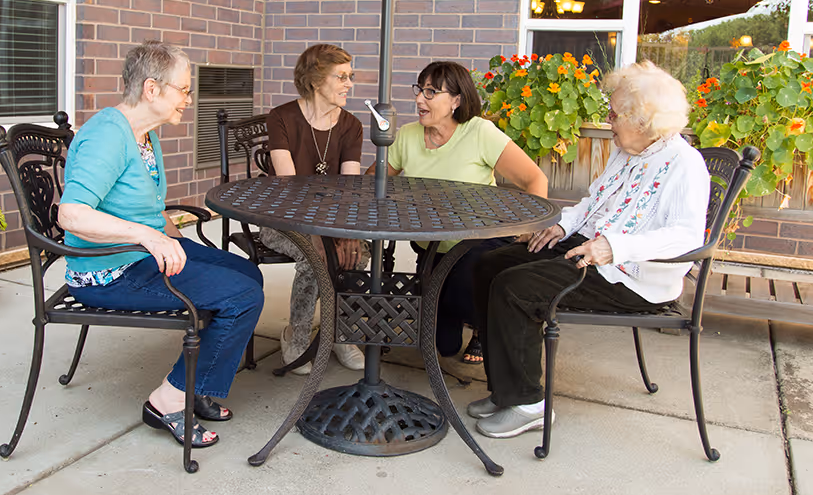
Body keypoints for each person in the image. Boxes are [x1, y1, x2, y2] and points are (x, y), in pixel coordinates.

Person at [468, 61, 709, 439]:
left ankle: (530, 404)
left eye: (614, 114)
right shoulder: (627, 152)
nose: (608, 120)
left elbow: (687, 237)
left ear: (643, 120)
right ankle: (506, 391)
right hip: (590, 251)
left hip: (631, 277)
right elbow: (593, 201)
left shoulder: (684, 164)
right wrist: (563, 225)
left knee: (515, 287)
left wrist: (616, 246)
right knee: (489, 265)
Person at [58, 40, 264, 449]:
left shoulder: (143, 134)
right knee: (242, 296)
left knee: (246, 272)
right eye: (184, 90)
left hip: (142, 254)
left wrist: (170, 237)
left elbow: (145, 207)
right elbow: (72, 214)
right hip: (109, 272)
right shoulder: (107, 137)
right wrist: (148, 236)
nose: (189, 99)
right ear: (152, 89)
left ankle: (199, 382)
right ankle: (168, 400)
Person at [369, 60, 548, 363]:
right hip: (432, 248)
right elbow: (373, 182)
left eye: (430, 92)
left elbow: (535, 179)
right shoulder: (409, 135)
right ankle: (465, 313)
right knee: (445, 345)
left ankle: (482, 324)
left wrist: (528, 231)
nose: (418, 99)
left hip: (480, 244)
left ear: (456, 100)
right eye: (419, 90)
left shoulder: (480, 132)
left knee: (464, 291)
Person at [260, 44, 368, 375]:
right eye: (342, 76)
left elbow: (349, 188)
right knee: (312, 256)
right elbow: (288, 185)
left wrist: (345, 234)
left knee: (357, 255)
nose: (350, 83)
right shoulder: (281, 118)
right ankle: (298, 333)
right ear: (315, 79)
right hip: (281, 218)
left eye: (351, 76)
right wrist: (316, 237)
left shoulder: (351, 125)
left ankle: (339, 332)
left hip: (332, 221)